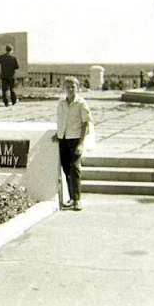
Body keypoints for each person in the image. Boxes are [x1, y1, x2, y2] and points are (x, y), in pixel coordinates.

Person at [51, 76, 92, 211]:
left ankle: (78, 200)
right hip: (63, 139)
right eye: (67, 87)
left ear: (77, 88)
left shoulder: (81, 103)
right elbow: (61, 120)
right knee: (66, 170)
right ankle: (72, 198)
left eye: (73, 87)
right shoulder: (61, 103)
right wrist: (58, 134)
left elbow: (85, 124)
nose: (70, 89)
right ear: (64, 88)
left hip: (75, 139)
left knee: (74, 169)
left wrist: (81, 144)